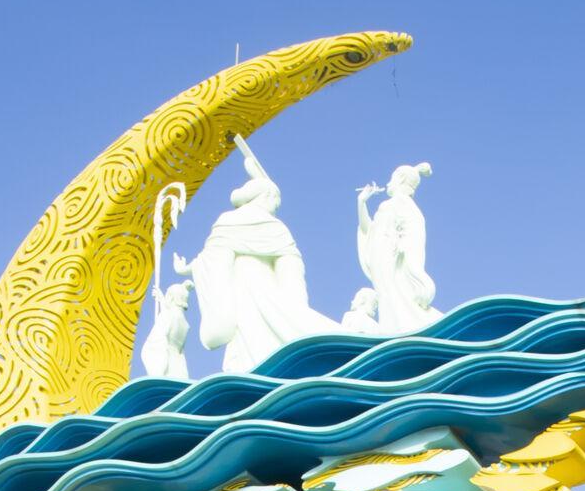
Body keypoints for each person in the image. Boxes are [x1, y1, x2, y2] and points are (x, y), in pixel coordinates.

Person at [174, 130, 336, 372]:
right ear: (265, 197)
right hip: (250, 291)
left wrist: (192, 267)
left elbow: (213, 259)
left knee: (257, 345)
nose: (276, 206)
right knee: (256, 342)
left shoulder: (231, 222)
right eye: (274, 201)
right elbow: (291, 269)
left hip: (255, 293)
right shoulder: (271, 227)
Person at [357, 163, 440, 331]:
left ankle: (401, 327)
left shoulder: (402, 203)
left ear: (401, 179)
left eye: (392, 178)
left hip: (390, 256)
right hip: (380, 256)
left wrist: (403, 247)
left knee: (393, 294)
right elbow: (369, 230)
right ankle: (392, 328)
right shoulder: (392, 204)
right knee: (386, 295)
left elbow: (414, 230)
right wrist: (361, 202)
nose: (388, 182)